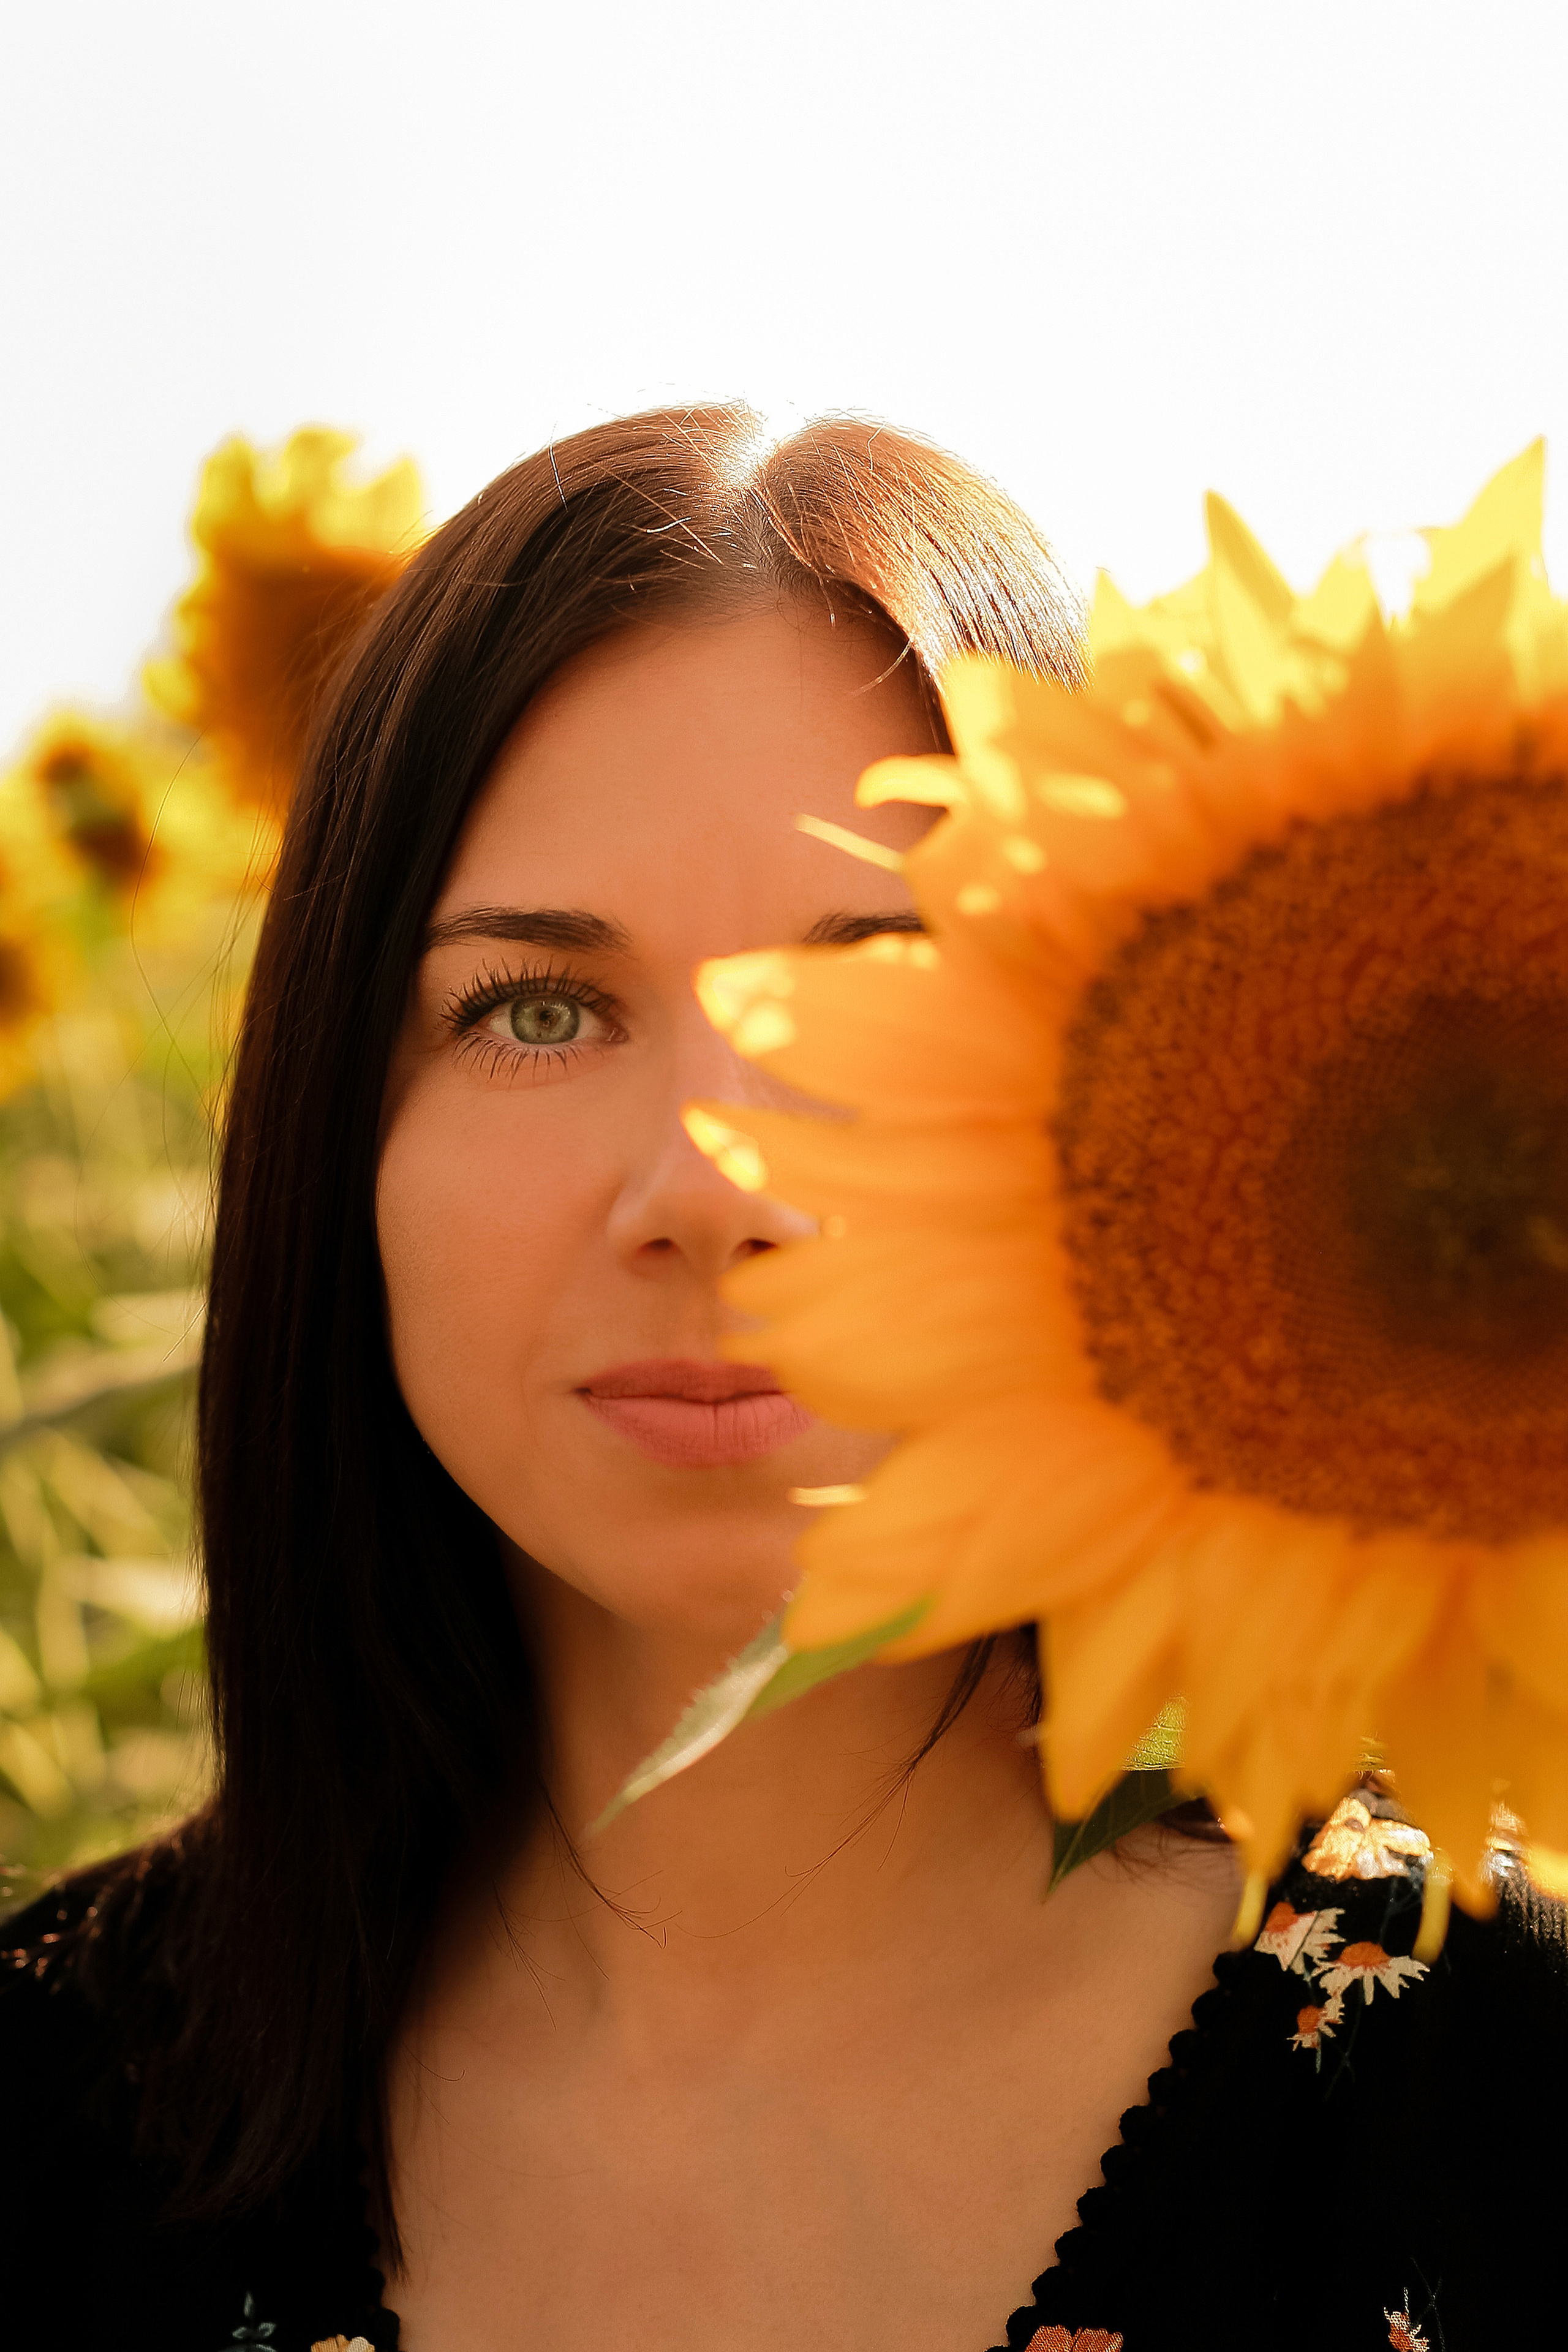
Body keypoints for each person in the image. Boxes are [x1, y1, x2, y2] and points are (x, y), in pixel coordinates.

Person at [2, 406, 1563, 2352]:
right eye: (539, 1011)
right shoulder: (45, 2109)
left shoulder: (1505, 2085)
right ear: (337, 1139)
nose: (710, 1191)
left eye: (881, 996)